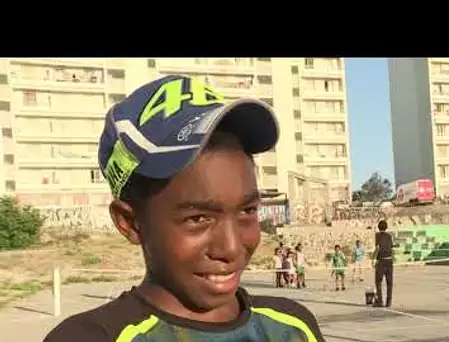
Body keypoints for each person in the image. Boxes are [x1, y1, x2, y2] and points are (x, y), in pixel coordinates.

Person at [43, 75, 325, 342]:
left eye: (247, 211)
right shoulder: (91, 337)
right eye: (198, 218)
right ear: (129, 222)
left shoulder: (293, 328)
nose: (230, 247)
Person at [373, 220, 394, 308]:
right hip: (389, 261)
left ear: (378, 227)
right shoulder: (389, 236)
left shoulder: (377, 235)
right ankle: (388, 302)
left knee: (378, 282)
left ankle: (380, 301)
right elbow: (392, 248)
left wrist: (373, 258)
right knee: (389, 283)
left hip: (381, 261)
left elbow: (377, 247)